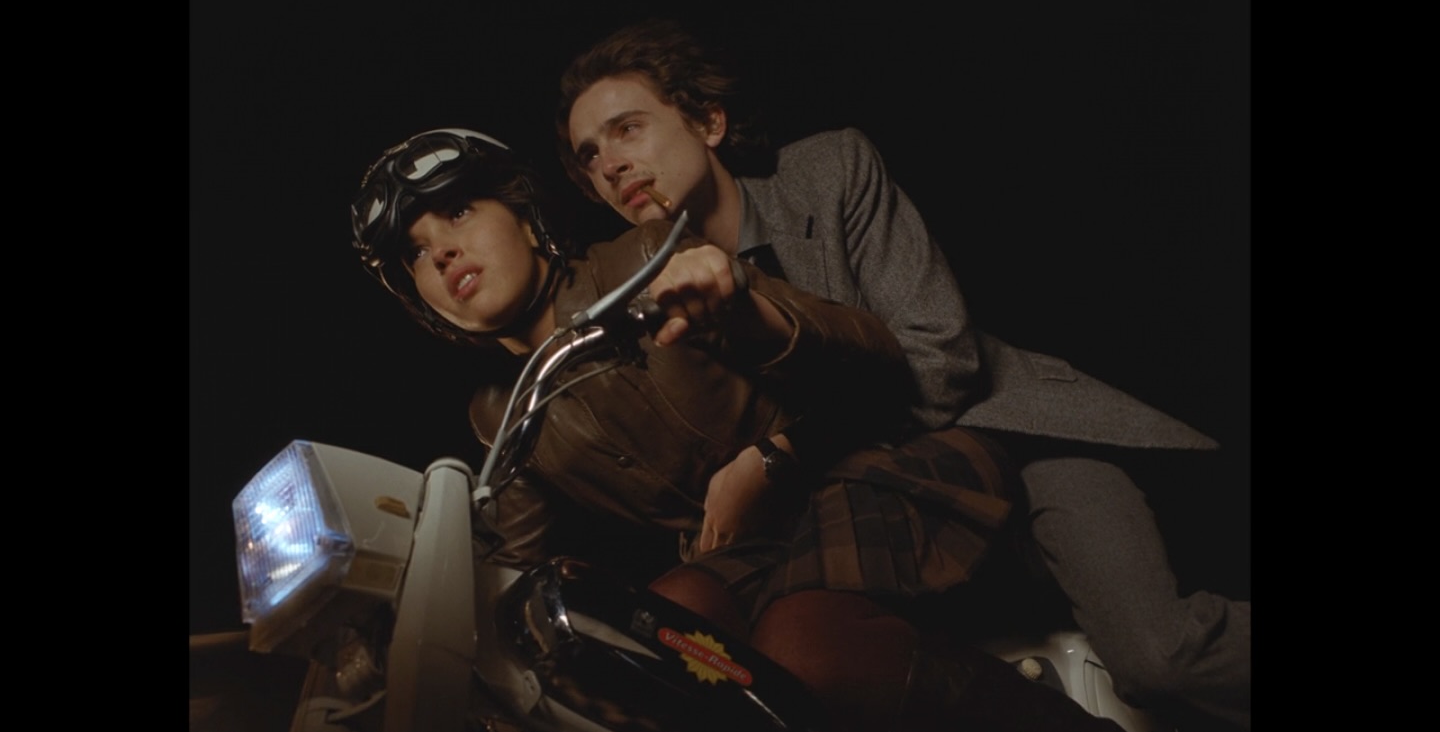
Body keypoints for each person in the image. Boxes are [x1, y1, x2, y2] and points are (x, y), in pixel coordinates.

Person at [554, 18, 1251, 731]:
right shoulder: (647, 294)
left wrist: (779, 455)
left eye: (627, 129)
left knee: (1159, 657)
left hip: (1014, 439)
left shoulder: (828, 171)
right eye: (589, 155)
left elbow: (941, 361)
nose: (610, 165)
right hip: (872, 513)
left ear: (709, 121)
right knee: (784, 656)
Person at [350, 126, 1129, 732]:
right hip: (748, 552)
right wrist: (381, 619)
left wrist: (745, 306)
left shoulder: (647, 254)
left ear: (523, 217)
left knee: (808, 650)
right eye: (414, 253)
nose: (441, 249)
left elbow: (877, 358)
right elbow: (509, 561)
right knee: (648, 632)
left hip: (865, 471)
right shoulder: (500, 409)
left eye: (458, 211)